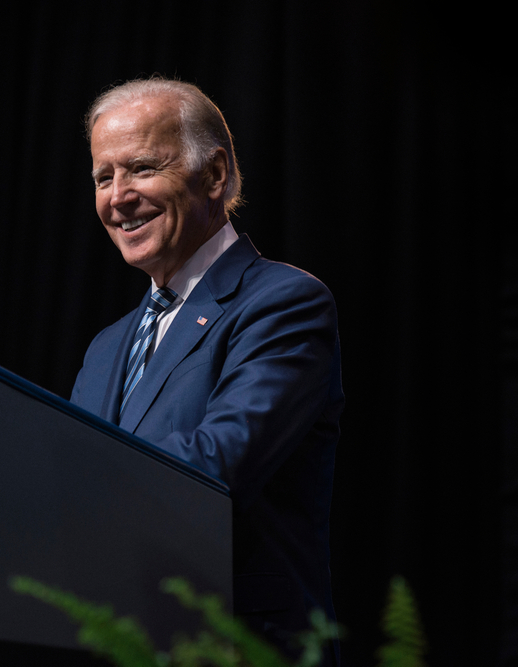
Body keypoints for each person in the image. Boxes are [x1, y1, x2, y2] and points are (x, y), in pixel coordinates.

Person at [70, 78, 344, 662]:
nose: (117, 197)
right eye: (102, 177)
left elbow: (220, 460)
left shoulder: (282, 302)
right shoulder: (104, 348)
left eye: (141, 168)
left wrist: (63, 496)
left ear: (214, 175)